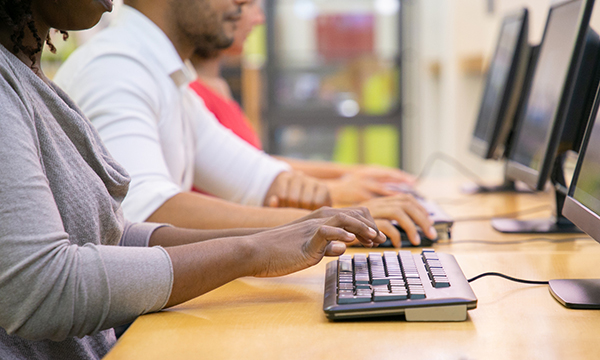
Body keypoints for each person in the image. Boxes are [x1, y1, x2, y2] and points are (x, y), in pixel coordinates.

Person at [0, 0, 385, 358]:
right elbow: (44, 288)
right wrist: (250, 252)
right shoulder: (111, 66)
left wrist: (285, 233)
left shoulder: (35, 77)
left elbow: (116, 235)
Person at [54, 0, 436, 247]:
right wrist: (313, 223)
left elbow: (257, 176)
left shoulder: (167, 79)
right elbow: (144, 212)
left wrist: (346, 201)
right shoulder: (115, 67)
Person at [191, 0, 417, 206]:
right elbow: (245, 180)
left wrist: (351, 174)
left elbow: (257, 167)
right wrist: (335, 191)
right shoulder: (190, 92)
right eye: (247, 5)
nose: (259, 18)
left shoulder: (215, 86)